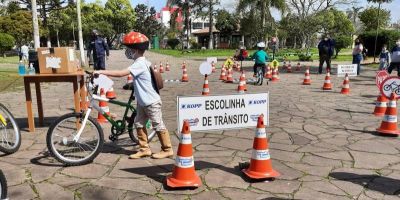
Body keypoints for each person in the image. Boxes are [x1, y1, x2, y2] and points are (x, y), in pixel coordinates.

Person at [95, 31, 173, 159]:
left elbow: (121, 73)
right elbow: (142, 79)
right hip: (143, 102)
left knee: (158, 124)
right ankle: (144, 149)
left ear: (136, 50)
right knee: (138, 123)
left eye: (129, 49)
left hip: (151, 102)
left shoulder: (140, 63)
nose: (127, 52)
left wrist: (101, 71)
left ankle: (167, 149)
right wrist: (131, 85)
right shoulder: (143, 62)